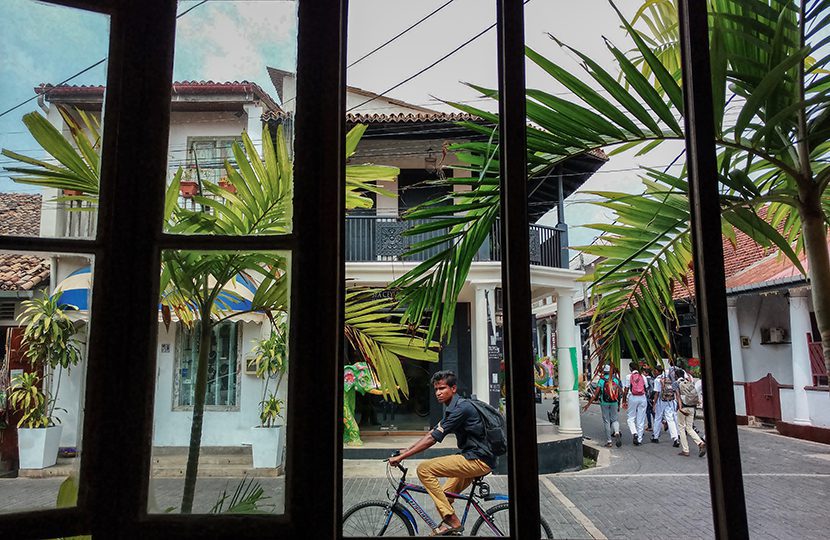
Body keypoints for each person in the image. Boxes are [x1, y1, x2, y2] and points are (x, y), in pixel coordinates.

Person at [388, 370, 495, 536]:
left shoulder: (461, 409)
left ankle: (452, 521)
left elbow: (433, 439)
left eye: (442, 388)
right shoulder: (455, 407)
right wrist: (407, 450)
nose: (438, 393)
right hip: (476, 458)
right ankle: (449, 526)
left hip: (478, 460)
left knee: (424, 469)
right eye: (436, 389)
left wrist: (402, 457)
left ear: (453, 388)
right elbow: (431, 433)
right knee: (443, 497)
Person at [583, 364, 622, 447]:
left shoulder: (601, 380)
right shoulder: (616, 380)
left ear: (604, 372)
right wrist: (618, 404)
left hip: (604, 402)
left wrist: (588, 404)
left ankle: (609, 441)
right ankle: (617, 432)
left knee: (607, 421)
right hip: (614, 402)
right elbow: (618, 394)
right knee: (615, 419)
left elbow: (595, 394)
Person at [675, 369, 707, 457]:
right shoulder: (689, 382)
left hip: (683, 407)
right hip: (692, 407)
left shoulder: (676, 383)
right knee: (689, 427)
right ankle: (700, 442)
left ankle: (685, 450)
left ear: (676, 376)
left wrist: (680, 407)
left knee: (681, 428)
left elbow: (678, 396)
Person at [651, 366, 679, 446]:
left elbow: (657, 393)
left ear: (658, 371)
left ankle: (655, 437)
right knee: (670, 419)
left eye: (655, 371)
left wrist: (654, 404)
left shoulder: (657, 380)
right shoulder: (669, 378)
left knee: (658, 418)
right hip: (670, 400)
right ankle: (675, 438)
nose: (654, 372)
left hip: (661, 401)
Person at [622, 361, 648, 445]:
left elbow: (626, 389)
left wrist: (624, 400)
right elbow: (646, 388)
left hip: (633, 397)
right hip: (643, 397)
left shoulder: (628, 376)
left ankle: (634, 433)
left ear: (630, 368)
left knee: (631, 418)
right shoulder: (643, 376)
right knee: (641, 419)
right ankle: (639, 439)